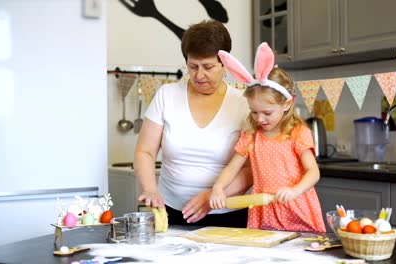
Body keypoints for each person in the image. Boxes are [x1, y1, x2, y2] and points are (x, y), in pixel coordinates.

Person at [134, 20, 252, 227]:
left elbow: (251, 168)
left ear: (225, 63)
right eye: (192, 66)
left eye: (208, 67)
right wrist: (150, 188)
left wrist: (211, 196)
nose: (199, 75)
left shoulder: (244, 103)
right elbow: (145, 151)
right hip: (171, 210)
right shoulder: (166, 95)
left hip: (228, 213)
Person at [209, 42, 326, 232]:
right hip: (265, 210)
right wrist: (218, 188)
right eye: (254, 112)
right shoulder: (251, 135)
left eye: (267, 112)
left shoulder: (297, 132)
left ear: (287, 104)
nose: (260, 118)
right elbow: (232, 167)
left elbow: (313, 172)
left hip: (296, 206)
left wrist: (294, 190)